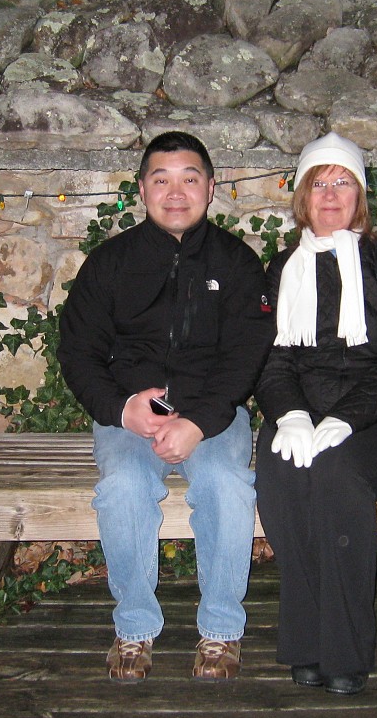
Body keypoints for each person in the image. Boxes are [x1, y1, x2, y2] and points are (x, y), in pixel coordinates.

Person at [58, 131, 272, 684]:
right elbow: (79, 351)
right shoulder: (109, 263)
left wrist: (199, 421)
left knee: (228, 485)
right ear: (142, 189)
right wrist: (122, 408)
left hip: (212, 414)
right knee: (124, 488)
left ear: (210, 187)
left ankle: (221, 631)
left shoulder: (237, 263)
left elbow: (247, 352)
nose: (176, 192)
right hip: (131, 414)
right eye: (162, 179)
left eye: (189, 178)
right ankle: (133, 631)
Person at [254, 131, 377, 696]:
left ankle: (346, 650)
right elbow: (272, 359)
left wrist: (346, 419)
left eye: (343, 181)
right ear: (303, 196)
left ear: (360, 196)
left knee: (336, 475)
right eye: (319, 182)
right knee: (282, 477)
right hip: (303, 418)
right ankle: (306, 642)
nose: (331, 193)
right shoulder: (283, 268)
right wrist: (290, 417)